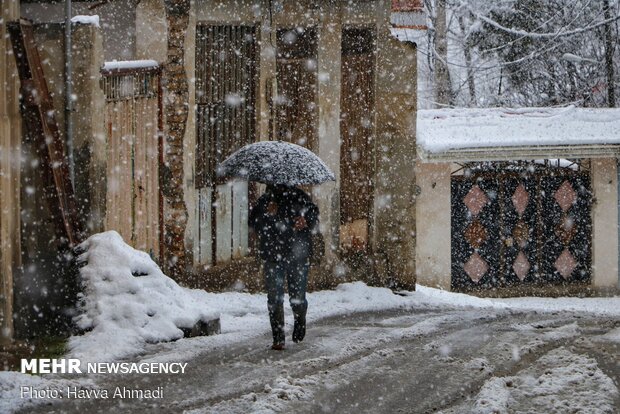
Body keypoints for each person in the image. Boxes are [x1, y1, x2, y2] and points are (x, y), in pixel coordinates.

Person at [249, 184, 319, 350]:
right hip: (273, 255)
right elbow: (253, 224)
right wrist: (267, 214)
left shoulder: (300, 197)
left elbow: (313, 216)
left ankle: (300, 320)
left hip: (297, 255)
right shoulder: (265, 200)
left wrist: (306, 220)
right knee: (274, 297)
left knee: (298, 298)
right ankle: (278, 336)